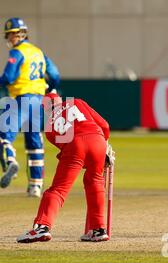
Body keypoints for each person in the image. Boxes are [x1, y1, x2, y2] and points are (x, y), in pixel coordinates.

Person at [17, 91, 115, 243]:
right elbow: (104, 125)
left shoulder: (49, 128)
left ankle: (42, 227)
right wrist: (105, 144)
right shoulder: (77, 102)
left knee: (58, 189)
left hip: (75, 145)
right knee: (95, 181)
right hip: (98, 141)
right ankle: (98, 230)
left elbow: (69, 150)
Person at [0, 17, 60, 198]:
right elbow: (55, 74)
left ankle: (11, 162)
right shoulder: (38, 52)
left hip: (20, 99)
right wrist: (48, 89)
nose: (11, 38)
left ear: (16, 35)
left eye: (11, 35)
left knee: (4, 136)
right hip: (38, 101)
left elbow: (9, 77)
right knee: (35, 143)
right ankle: (35, 186)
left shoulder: (17, 53)